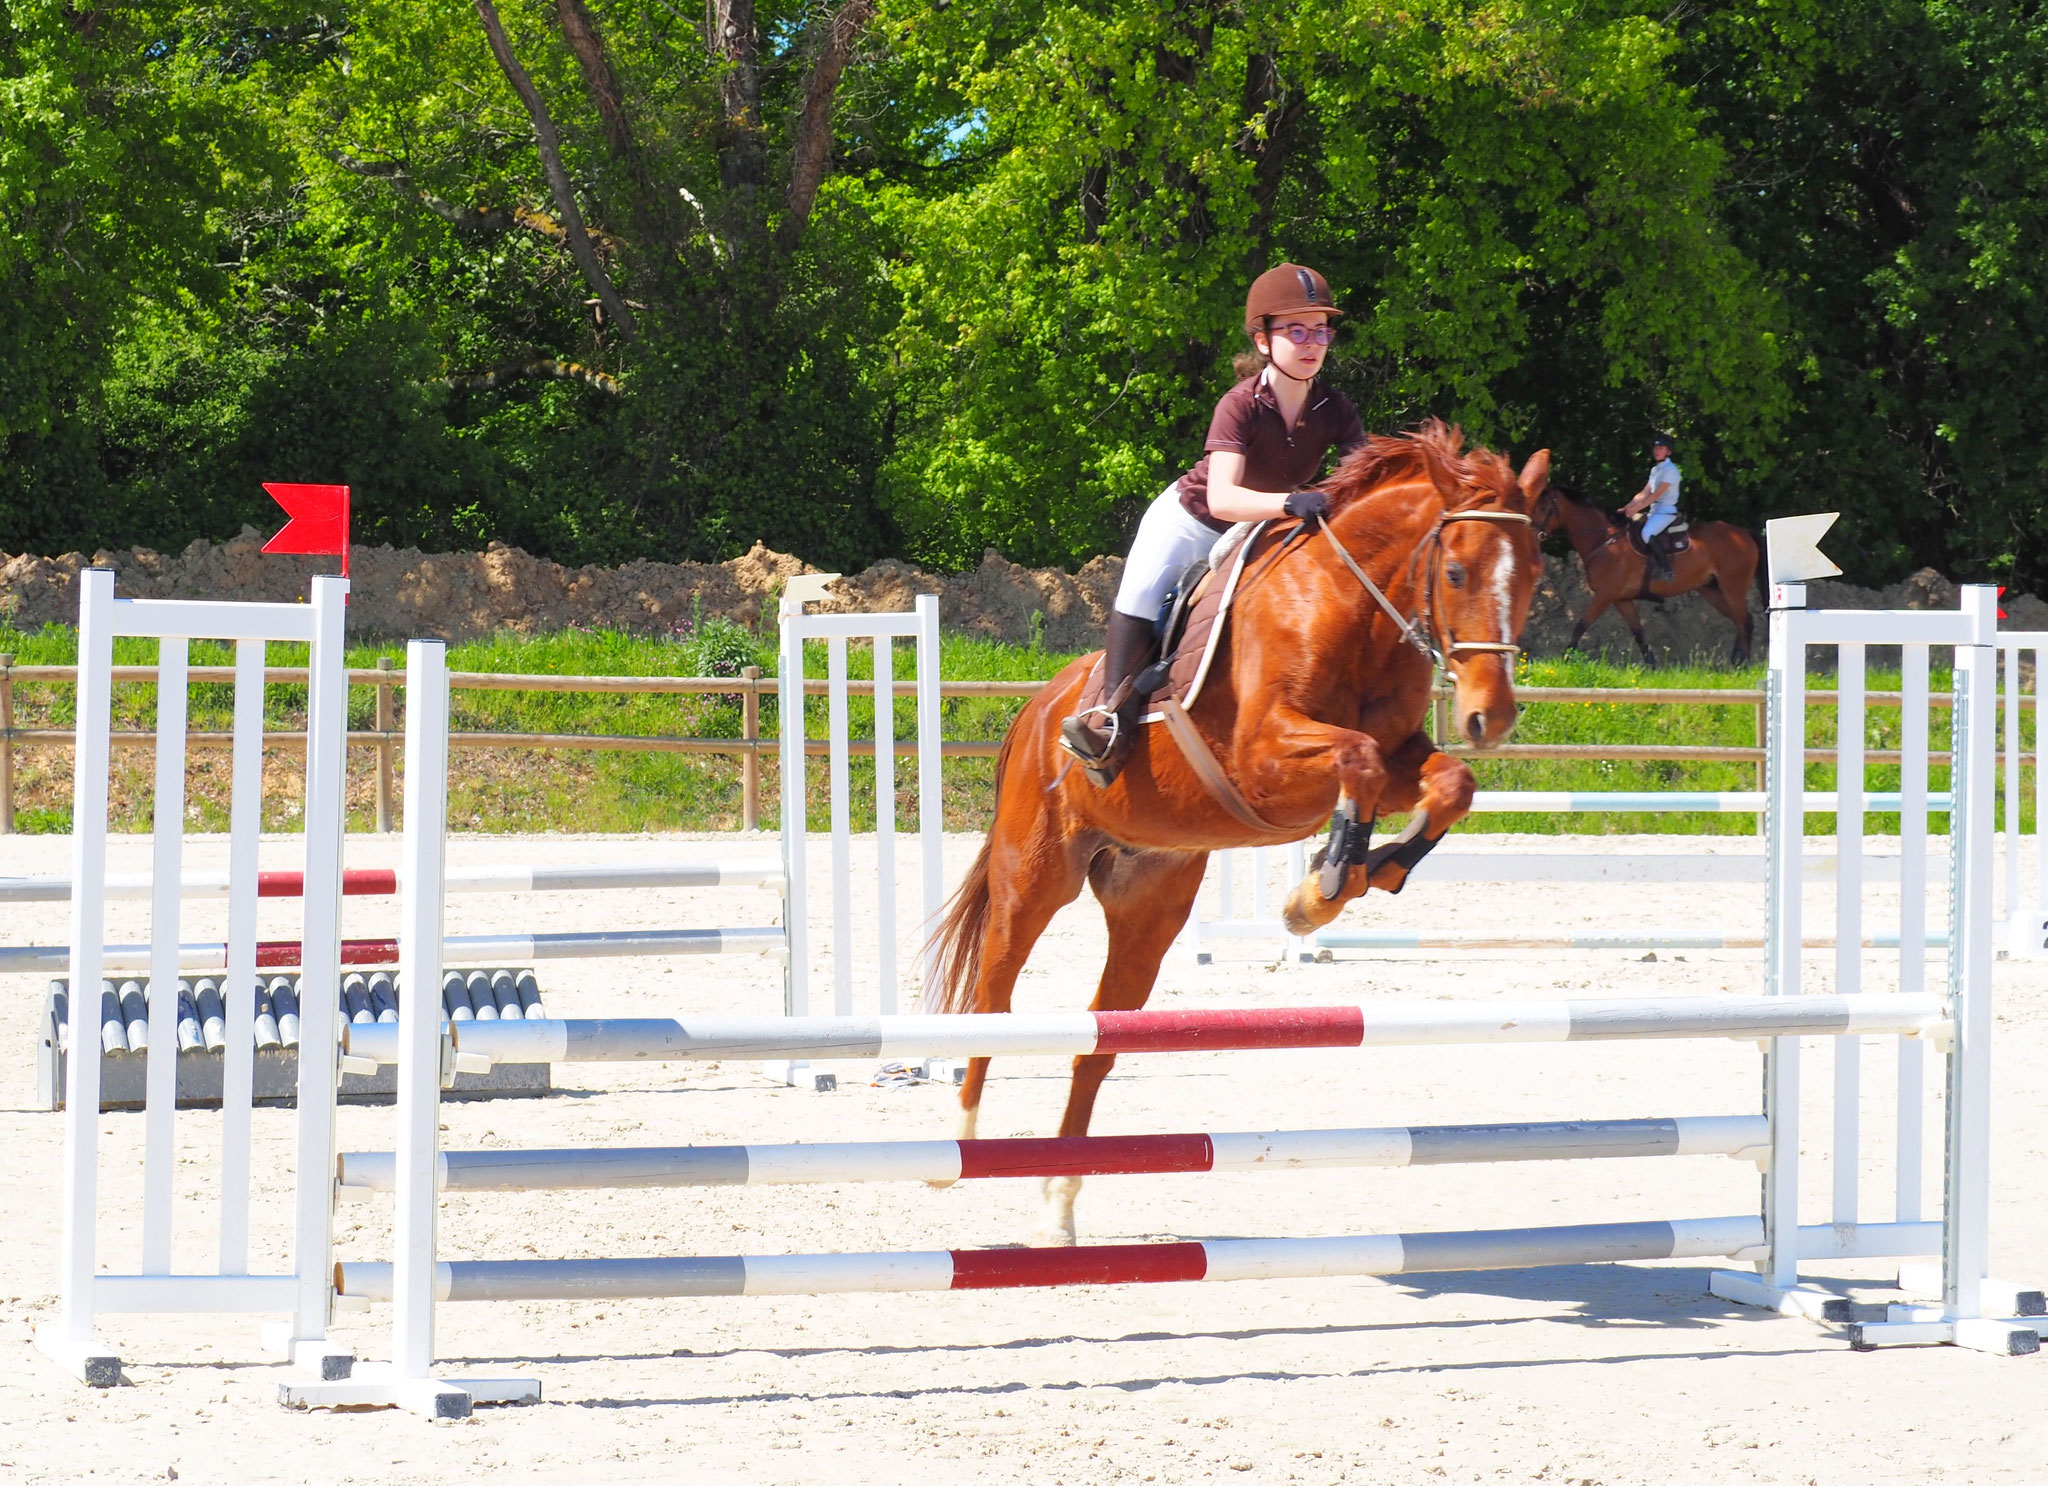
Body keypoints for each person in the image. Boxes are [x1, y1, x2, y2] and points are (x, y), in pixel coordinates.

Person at [1060, 263, 1367, 785]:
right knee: (1141, 593)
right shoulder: (1240, 404)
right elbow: (1223, 498)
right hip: (1193, 521)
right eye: (1296, 330)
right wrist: (1293, 504)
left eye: (1320, 330)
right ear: (1263, 339)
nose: (1312, 342)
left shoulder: (1335, 409)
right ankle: (1107, 718)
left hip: (1260, 528)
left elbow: (1365, 484)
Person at [1621, 434, 1682, 581]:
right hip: (1654, 509)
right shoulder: (1655, 470)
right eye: (1655, 447)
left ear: (1669, 451)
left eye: (1661, 448)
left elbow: (1655, 495)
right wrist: (1628, 506)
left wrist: (1636, 509)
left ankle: (1666, 570)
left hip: (1666, 510)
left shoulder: (1671, 470)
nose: (1657, 450)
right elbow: (1644, 492)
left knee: (1647, 532)